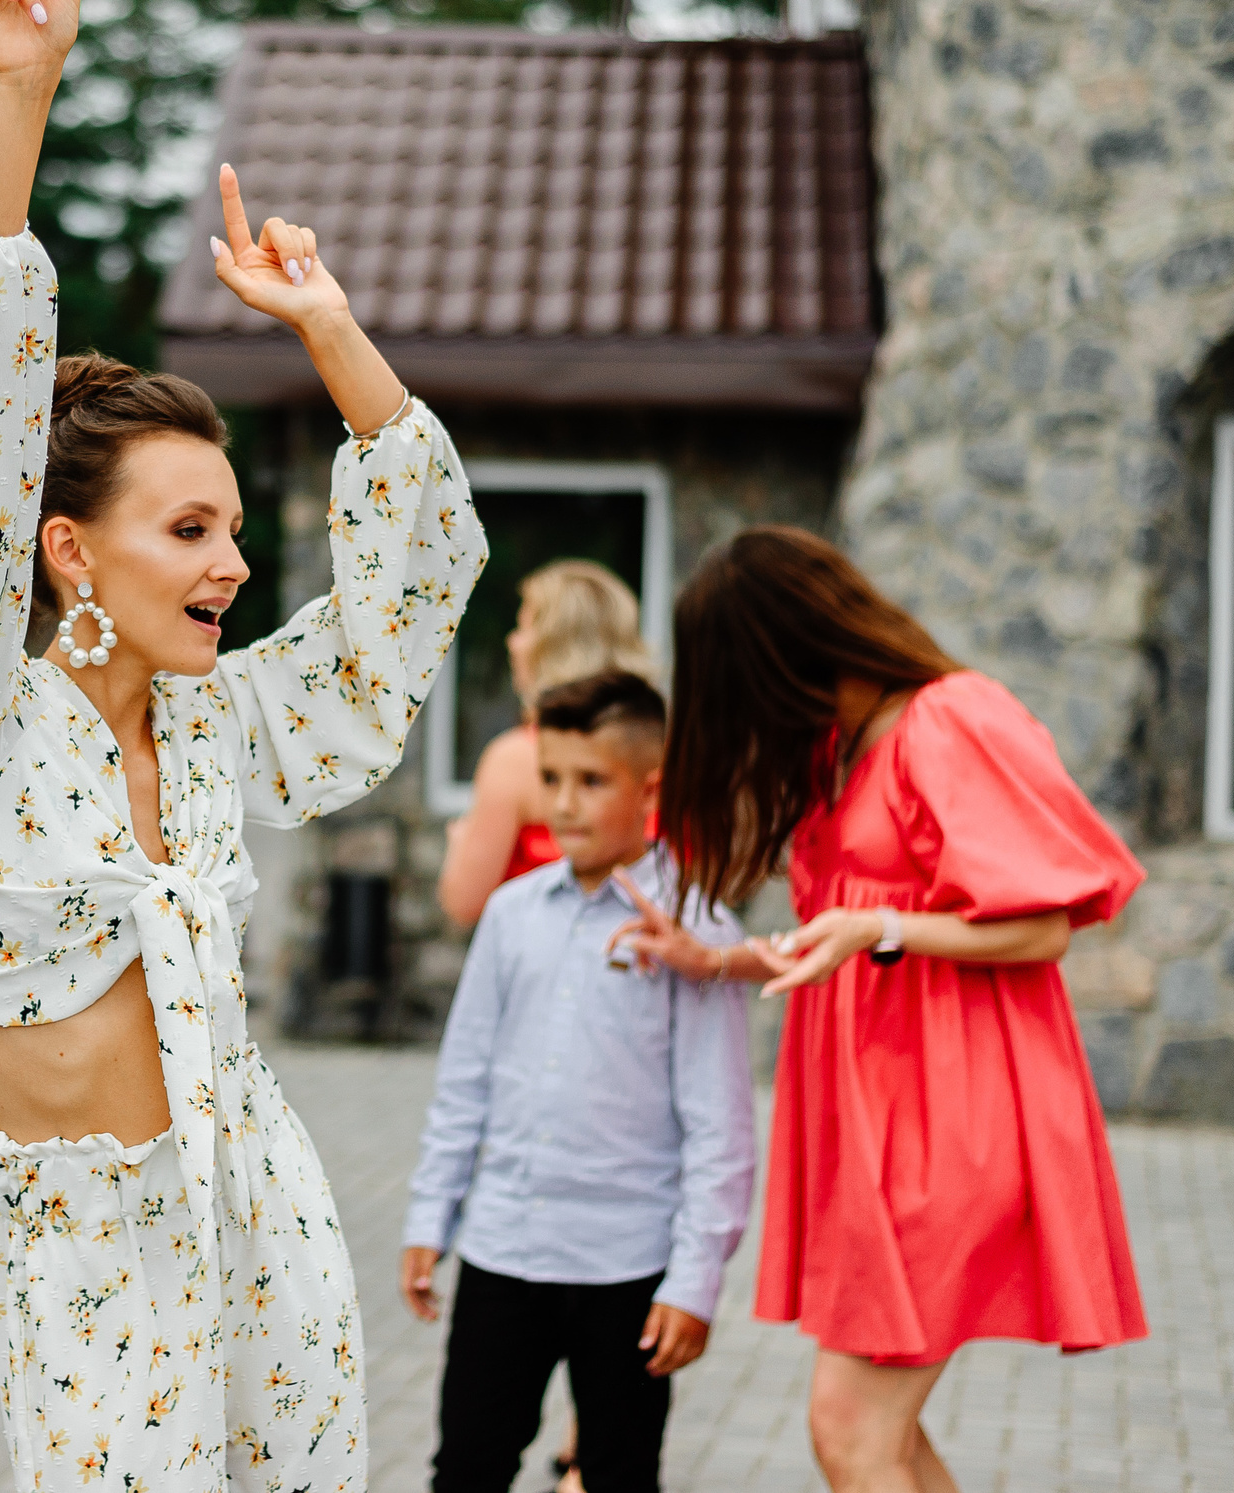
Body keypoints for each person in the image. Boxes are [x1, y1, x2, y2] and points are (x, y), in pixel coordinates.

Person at [0, 0, 486, 1491]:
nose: (234, 561)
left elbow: (404, 597)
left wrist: (329, 332)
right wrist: (24, 90)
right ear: (69, 546)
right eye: (189, 528)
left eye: (234, 525)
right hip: (91, 1252)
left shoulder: (225, 725)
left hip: (262, 1209)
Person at [620, 524, 1147, 1493]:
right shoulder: (847, 744)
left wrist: (879, 931)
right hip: (885, 1123)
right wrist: (721, 958)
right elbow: (849, 934)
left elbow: (1041, 931)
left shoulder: (947, 718)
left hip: (956, 1120)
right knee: (885, 1438)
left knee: (850, 1427)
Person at [401, 672, 755, 1493]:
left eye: (591, 781)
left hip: (626, 1267)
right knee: (466, 1467)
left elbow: (721, 1127)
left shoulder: (697, 934)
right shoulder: (511, 914)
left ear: (650, 787)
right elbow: (465, 1080)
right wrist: (431, 1211)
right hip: (502, 1250)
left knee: (620, 1473)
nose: (563, 803)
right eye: (551, 778)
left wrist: (695, 1278)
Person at [440, 562, 653, 927]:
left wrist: (460, 843)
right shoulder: (654, 747)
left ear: (556, 645)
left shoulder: (515, 758)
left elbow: (463, 902)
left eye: (524, 626)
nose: (512, 641)